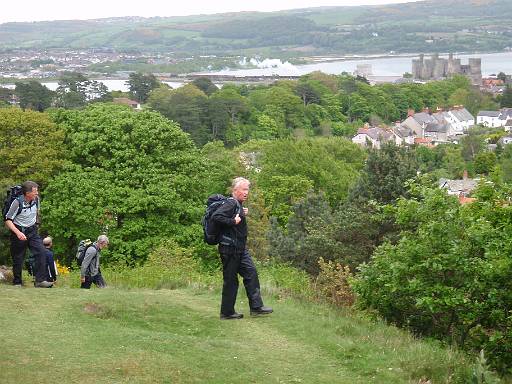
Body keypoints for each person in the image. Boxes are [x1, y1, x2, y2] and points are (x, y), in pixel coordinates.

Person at [212, 177, 273, 320]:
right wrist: (233, 221)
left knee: (251, 273)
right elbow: (216, 217)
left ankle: (256, 307)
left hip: (240, 249)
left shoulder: (237, 204)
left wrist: (240, 213)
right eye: (244, 189)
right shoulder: (231, 202)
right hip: (229, 249)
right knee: (231, 281)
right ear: (235, 190)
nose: (247, 192)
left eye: (248, 189)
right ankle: (226, 313)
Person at [4, 181, 53, 288]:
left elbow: (36, 213)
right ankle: (17, 282)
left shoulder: (36, 200)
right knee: (18, 258)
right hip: (18, 231)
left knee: (41, 252)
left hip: (32, 231)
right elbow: (8, 220)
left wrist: (36, 225)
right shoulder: (17, 203)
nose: (37, 193)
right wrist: (18, 233)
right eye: (35, 191)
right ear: (27, 193)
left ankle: (40, 281)